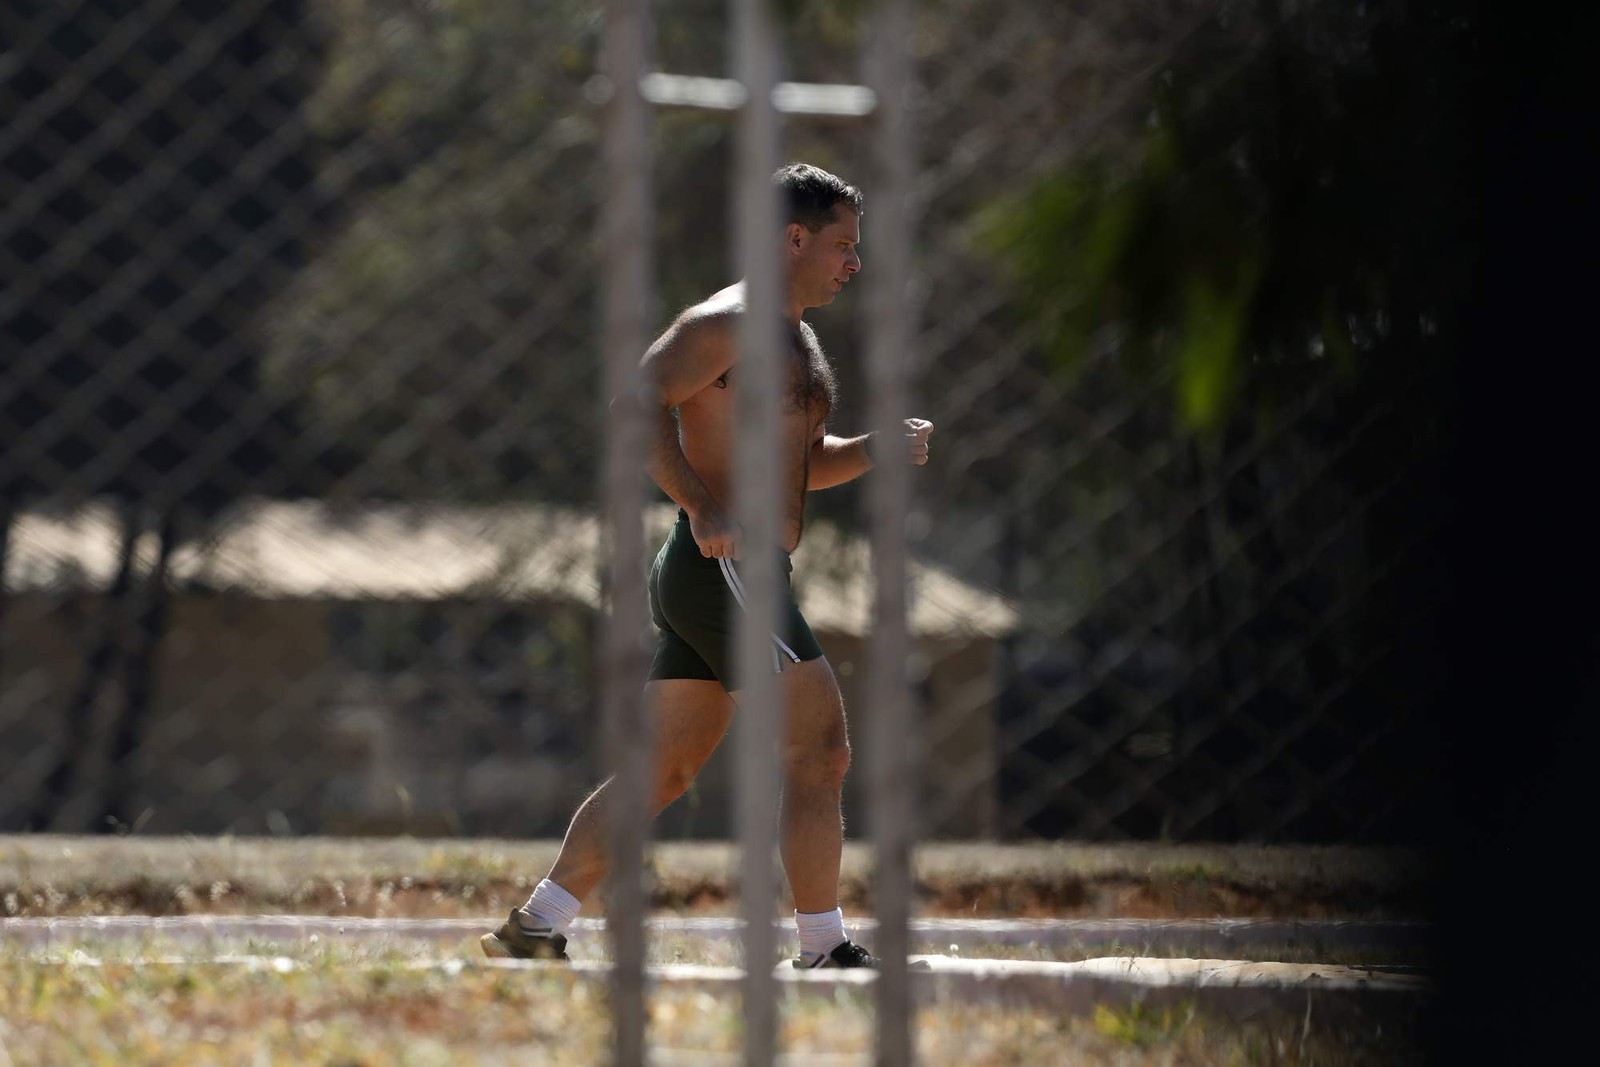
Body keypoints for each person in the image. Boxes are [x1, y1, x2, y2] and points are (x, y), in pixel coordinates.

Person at [481, 162, 934, 969]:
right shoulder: (728, 323)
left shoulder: (793, 335)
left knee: (664, 767)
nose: (853, 262)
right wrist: (700, 505)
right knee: (820, 749)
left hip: (731, 569)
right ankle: (825, 944)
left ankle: (539, 921)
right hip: (726, 565)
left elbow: (802, 460)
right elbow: (636, 409)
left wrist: (874, 451)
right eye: (842, 244)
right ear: (793, 238)